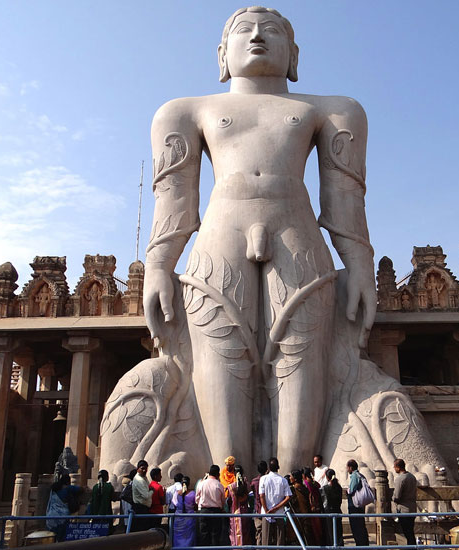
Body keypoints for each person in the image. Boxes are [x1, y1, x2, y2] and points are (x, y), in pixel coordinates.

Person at [143, 5, 376, 472]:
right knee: (218, 351)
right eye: (243, 30)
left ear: (293, 55)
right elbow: (173, 201)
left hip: (296, 230)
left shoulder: (333, 109)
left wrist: (360, 265)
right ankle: (230, 485)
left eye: (270, 31)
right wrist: (158, 265)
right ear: (221, 55)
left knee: (301, 350)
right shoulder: (185, 111)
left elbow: (346, 200)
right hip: (221, 233)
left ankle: (294, 481)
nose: (256, 37)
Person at [259, 457, 292, 547]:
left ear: (268, 468)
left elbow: (261, 496)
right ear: (278, 467)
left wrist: (267, 510)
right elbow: (288, 497)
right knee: (279, 540)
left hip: (266, 514)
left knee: (266, 541)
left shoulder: (263, 479)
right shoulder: (283, 480)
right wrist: (276, 508)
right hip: (279, 513)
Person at [195, 464, 226, 546]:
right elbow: (223, 500)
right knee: (215, 535)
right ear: (218, 474)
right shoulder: (219, 485)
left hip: (204, 511)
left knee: (204, 534)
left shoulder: (201, 484)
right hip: (216, 512)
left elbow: (197, 498)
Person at [46, 473, 82, 542]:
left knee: (51, 538)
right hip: (61, 517)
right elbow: (80, 489)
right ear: (68, 482)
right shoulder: (68, 488)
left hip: (50, 516)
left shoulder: (54, 489)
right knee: (61, 539)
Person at [392, 458, 418, 546]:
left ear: (398, 467)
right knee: (410, 531)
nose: (394, 469)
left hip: (404, 509)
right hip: (413, 507)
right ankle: (412, 546)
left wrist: (393, 498)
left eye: (395, 467)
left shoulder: (400, 479)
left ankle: (411, 547)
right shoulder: (412, 477)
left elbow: (397, 496)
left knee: (407, 532)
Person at [346, 459, 369, 546]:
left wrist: (347, 491)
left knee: (356, 526)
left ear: (351, 467)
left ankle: (360, 544)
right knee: (361, 525)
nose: (347, 469)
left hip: (355, 505)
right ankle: (363, 543)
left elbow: (351, 490)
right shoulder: (361, 475)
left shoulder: (355, 476)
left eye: (347, 467)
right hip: (360, 504)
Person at [228, 464, 251, 546]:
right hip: (245, 511)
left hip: (235, 512)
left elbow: (230, 500)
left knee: (235, 534)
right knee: (246, 533)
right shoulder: (246, 484)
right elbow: (248, 494)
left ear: (234, 473)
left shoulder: (231, 487)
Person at [86, 470, 114, 534]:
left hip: (96, 516)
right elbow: (113, 497)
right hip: (106, 515)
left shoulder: (95, 487)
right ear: (107, 477)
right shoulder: (109, 487)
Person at [173, 475, 197, 547]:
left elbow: (175, 505)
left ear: (181, 483)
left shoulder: (176, 493)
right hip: (189, 519)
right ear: (189, 484)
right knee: (189, 537)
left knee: (177, 538)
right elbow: (195, 506)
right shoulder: (193, 494)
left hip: (178, 519)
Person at [321, 469, 343, 546]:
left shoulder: (324, 488)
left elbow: (323, 502)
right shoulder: (339, 487)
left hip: (328, 513)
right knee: (338, 533)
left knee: (330, 533)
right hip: (337, 511)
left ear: (327, 477)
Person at [302, 467, 323, 544]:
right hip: (317, 507)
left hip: (312, 507)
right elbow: (319, 485)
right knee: (318, 527)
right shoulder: (313, 482)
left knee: (314, 527)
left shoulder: (306, 483)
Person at [131, 460, 153, 532]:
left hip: (144, 508)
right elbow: (146, 495)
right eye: (142, 468)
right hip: (140, 508)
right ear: (138, 469)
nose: (144, 470)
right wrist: (152, 491)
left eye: (146, 469)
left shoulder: (144, 478)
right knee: (140, 532)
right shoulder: (139, 480)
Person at [250, 460, 268, 547]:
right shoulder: (268, 480)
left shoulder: (254, 481)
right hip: (268, 509)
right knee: (267, 532)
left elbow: (253, 493)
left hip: (257, 509)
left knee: (259, 532)